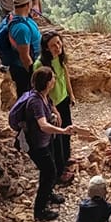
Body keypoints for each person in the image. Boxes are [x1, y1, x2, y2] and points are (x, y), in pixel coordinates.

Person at [12, 67, 73, 222]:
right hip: (37, 144)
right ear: (47, 83)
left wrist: (54, 113)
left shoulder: (42, 96)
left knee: (49, 170)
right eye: (52, 78)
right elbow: (43, 125)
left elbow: (49, 110)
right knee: (50, 172)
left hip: (46, 140)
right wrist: (63, 131)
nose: (54, 80)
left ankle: (48, 194)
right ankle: (40, 210)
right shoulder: (36, 101)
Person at [42, 29, 75, 185]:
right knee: (57, 138)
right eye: (53, 45)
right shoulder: (41, 65)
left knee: (67, 131)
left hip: (63, 100)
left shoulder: (59, 58)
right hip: (52, 106)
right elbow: (42, 90)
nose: (57, 46)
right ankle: (60, 171)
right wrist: (53, 109)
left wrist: (71, 95)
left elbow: (65, 75)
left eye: (58, 42)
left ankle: (66, 159)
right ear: (46, 48)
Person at [0, 0, 42, 87]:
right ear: (28, 4)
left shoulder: (14, 17)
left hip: (24, 66)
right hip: (23, 70)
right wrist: (34, 76)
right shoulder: (21, 29)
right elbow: (25, 57)